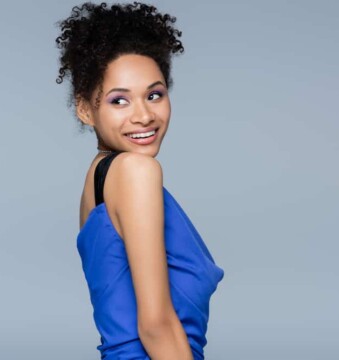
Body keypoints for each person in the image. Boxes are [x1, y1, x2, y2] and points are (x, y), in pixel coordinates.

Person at [55, 2, 225, 359]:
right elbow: (155, 325)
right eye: (120, 101)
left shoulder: (99, 178)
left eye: (154, 94)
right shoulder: (135, 172)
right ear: (85, 109)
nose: (144, 115)